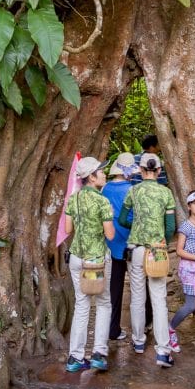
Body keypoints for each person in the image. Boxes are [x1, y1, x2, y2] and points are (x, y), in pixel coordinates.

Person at [119, 153, 176, 367]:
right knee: (159, 299)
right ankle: (163, 350)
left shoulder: (133, 191)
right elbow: (170, 227)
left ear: (141, 171)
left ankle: (139, 341)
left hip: (136, 250)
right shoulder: (166, 193)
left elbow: (124, 219)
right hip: (158, 250)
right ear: (159, 171)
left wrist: (135, 228)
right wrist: (162, 240)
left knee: (137, 296)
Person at [64, 156, 115, 373]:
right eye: (101, 172)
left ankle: (75, 357)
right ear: (91, 177)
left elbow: (67, 230)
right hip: (95, 262)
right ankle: (98, 354)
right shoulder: (102, 201)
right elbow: (110, 235)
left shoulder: (73, 199)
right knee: (103, 303)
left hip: (76, 258)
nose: (104, 174)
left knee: (81, 305)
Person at [168, 190, 195, 354]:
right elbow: (179, 250)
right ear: (189, 206)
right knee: (191, 306)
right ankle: (171, 329)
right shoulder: (186, 226)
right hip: (190, 269)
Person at [102, 152, 137, 342]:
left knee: (114, 289)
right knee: (139, 288)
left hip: (112, 244)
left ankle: (112, 328)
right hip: (131, 243)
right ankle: (142, 329)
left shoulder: (105, 188)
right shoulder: (132, 190)